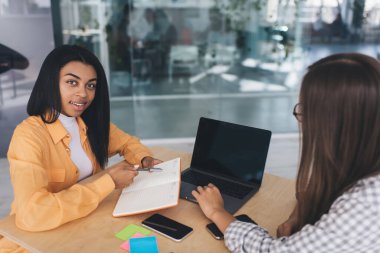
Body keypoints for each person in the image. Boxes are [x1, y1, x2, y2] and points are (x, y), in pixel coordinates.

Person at [192, 53, 380, 252]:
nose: (304, 120)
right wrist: (300, 216)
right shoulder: (362, 162)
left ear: (336, 124)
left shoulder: (366, 204)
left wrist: (217, 212)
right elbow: (313, 193)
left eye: (308, 111)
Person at [0, 45, 161, 251]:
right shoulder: (28, 136)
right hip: (38, 239)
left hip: (88, 224)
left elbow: (128, 143)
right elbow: (33, 214)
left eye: (91, 85)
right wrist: (108, 182)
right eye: (72, 82)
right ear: (51, 83)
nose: (83, 94)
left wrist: (144, 159)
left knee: (151, 241)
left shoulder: (90, 122)